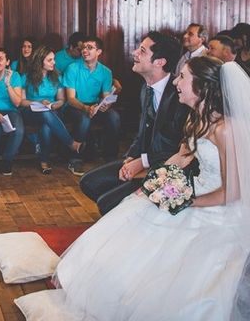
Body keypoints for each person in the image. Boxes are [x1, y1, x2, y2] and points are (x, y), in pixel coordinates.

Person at [36, 57, 250, 321]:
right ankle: (98, 286)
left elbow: (233, 192)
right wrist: (153, 186)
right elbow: (181, 157)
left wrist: (187, 201)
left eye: (182, 77)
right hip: (192, 191)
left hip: (220, 210)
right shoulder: (197, 119)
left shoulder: (226, 130)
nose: (176, 82)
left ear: (202, 87)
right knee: (133, 212)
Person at [79, 31, 189, 214]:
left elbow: (176, 147)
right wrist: (131, 157)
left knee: (107, 203)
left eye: (142, 51)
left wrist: (142, 162)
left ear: (159, 62)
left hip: (168, 168)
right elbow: (142, 132)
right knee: (89, 182)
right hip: (145, 159)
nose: (134, 53)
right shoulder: (146, 89)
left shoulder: (179, 95)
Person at [63, 36, 120, 176]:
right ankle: (75, 158)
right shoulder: (72, 68)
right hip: (75, 106)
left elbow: (106, 96)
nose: (85, 50)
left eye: (90, 48)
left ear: (99, 51)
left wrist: (107, 105)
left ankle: (110, 156)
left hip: (94, 105)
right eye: (83, 48)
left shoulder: (105, 71)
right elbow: (70, 98)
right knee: (84, 119)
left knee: (114, 117)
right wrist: (85, 108)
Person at [21, 46, 83, 175]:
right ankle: (70, 143)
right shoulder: (26, 77)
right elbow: (22, 101)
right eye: (50, 60)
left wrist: (56, 104)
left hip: (51, 110)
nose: (54, 62)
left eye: (53, 59)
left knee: (46, 124)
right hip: (30, 111)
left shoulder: (56, 76)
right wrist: (38, 102)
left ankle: (44, 161)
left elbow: (61, 99)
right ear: (40, 61)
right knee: (45, 113)